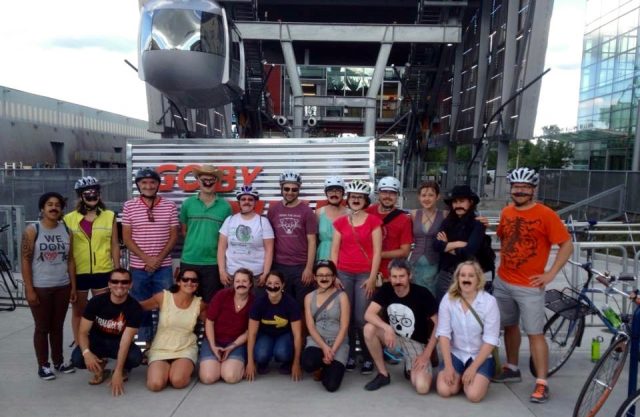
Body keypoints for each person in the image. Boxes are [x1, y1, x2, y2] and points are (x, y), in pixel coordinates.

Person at [492, 167, 572, 404]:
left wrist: (550, 273)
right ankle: (512, 367)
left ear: (533, 189)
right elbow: (502, 237)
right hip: (503, 281)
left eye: (525, 187)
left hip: (530, 286)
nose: (520, 191)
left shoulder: (546, 214)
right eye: (517, 187)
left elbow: (566, 245)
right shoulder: (506, 212)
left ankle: (541, 382)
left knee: (536, 334)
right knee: (509, 326)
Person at [22, 192, 77, 380]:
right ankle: (43, 365)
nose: (54, 208)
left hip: (62, 285)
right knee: (42, 327)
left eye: (57, 205)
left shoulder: (67, 231)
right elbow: (25, 260)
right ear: (42, 209)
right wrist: (29, 289)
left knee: (58, 326)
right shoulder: (33, 230)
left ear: (61, 209)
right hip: (40, 286)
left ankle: (59, 362)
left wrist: (73, 287)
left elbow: (70, 260)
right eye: (49, 204)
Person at [362, 259, 438, 393]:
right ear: (389, 277)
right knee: (369, 328)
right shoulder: (386, 289)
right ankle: (383, 374)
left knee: (422, 387)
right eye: (394, 277)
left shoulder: (422, 293)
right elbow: (368, 314)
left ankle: (410, 367)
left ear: (410, 276)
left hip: (415, 343)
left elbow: (439, 324)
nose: (398, 281)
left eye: (402, 276)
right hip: (393, 338)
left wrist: (427, 354)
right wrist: (387, 327)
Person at [122, 167, 179, 344]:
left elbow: (174, 236)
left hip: (163, 267)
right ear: (138, 185)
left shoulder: (169, 206)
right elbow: (127, 238)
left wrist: (158, 259)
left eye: (152, 182)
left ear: (158, 185)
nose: (148, 186)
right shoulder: (129, 206)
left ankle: (165, 343)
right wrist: (147, 259)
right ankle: (146, 345)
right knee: (142, 306)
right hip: (139, 267)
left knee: (166, 306)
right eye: (144, 182)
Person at [330, 179, 382, 374]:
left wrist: (371, 277)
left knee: (362, 318)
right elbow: (334, 251)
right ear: (348, 199)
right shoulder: (340, 223)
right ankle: (350, 354)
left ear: (365, 200)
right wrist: (334, 275)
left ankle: (368, 356)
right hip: (343, 273)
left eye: (360, 197)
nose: (356, 200)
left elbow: (377, 251)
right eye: (353, 197)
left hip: (364, 275)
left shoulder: (374, 221)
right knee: (347, 317)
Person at [64, 176, 120, 347]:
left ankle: (103, 344)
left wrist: (117, 271)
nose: (92, 196)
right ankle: (81, 346)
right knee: (79, 312)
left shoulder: (109, 216)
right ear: (81, 196)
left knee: (103, 312)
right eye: (87, 193)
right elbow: (68, 250)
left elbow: (115, 245)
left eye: (95, 192)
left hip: (102, 270)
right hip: (79, 272)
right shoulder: (69, 219)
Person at [71, 268, 143, 396]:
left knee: (136, 357)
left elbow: (126, 341)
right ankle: (101, 364)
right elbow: (82, 332)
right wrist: (87, 354)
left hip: (118, 343)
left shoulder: (134, 308)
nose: (119, 285)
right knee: (77, 359)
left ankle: (123, 369)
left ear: (130, 284)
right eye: (115, 281)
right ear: (109, 284)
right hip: (97, 341)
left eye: (124, 282)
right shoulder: (96, 302)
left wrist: (118, 372)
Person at [436, 261, 500, 402]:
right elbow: (444, 334)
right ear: (458, 278)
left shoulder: (489, 302)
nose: (466, 278)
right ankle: (460, 377)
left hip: (480, 356)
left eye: (471, 275)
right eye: (463, 275)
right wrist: (448, 366)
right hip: (457, 353)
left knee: (473, 395)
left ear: (478, 279)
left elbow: (490, 340)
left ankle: (476, 378)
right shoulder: (448, 300)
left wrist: (473, 368)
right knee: (445, 390)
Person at [140, 269, 204, 392]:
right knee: (155, 384)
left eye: (194, 280)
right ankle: (166, 369)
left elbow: (213, 321)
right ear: (179, 281)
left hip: (185, 348)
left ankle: (177, 369)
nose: (189, 283)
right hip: (161, 348)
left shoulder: (199, 304)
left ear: (198, 284)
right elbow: (139, 307)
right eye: (185, 279)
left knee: (178, 381)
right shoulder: (164, 297)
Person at [180, 165, 231, 302]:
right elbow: (184, 231)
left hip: (213, 263)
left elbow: (226, 237)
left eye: (211, 179)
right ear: (197, 180)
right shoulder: (188, 204)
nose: (208, 182)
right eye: (204, 179)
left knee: (211, 303)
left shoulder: (225, 207)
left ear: (216, 182)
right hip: (189, 260)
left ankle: (208, 325)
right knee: (187, 302)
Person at [267, 170, 318, 307]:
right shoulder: (273, 210)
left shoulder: (307, 211)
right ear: (281, 188)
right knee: (281, 304)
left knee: (302, 305)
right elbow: (268, 240)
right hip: (279, 265)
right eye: (287, 189)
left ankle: (300, 329)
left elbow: (312, 241)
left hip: (300, 267)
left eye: (294, 189)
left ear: (299, 189)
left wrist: (309, 268)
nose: (290, 192)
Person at [200, 268, 255, 384]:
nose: (241, 284)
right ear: (233, 283)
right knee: (208, 378)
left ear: (250, 284)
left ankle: (230, 364)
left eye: (244, 281)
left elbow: (249, 331)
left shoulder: (254, 302)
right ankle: (218, 364)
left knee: (230, 377)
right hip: (214, 340)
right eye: (237, 281)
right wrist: (213, 345)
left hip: (236, 343)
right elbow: (209, 321)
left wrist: (232, 346)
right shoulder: (222, 295)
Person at [301, 260, 350, 392]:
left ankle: (328, 366)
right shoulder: (309, 297)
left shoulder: (342, 296)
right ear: (315, 277)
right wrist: (324, 347)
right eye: (320, 275)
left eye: (328, 275)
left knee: (331, 386)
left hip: (337, 342)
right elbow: (310, 326)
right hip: (317, 341)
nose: (324, 278)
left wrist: (332, 350)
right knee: (308, 363)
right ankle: (322, 363)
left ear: (334, 277)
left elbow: (344, 326)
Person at [245, 271, 303, 381]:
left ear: (283, 285)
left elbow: (297, 335)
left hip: (284, 334)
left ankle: (287, 362)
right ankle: (263, 362)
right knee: (261, 354)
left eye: (277, 283)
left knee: (282, 353)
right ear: (265, 284)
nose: (273, 286)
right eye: (269, 283)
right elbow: (252, 334)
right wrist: (250, 362)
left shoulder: (291, 303)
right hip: (265, 335)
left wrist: (296, 363)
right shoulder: (259, 303)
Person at [433, 185, 487, 302]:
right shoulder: (447, 222)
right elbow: (436, 245)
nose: (458, 205)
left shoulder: (477, 223)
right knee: (442, 311)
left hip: (468, 276)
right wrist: (457, 243)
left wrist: (446, 245)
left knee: (465, 313)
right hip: (446, 275)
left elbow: (469, 251)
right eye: (455, 202)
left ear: (470, 202)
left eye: (462, 201)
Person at [218, 186, 273, 288]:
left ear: (255, 202)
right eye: (243, 199)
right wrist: (222, 271)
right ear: (238, 202)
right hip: (232, 274)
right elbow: (221, 247)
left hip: (256, 275)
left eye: (250, 199)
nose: (246, 202)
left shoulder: (263, 222)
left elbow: (269, 250)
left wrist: (265, 273)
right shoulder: (229, 220)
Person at [365, 176, 413, 280]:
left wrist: (378, 255)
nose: (388, 196)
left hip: (390, 274)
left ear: (397, 196)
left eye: (392, 193)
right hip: (365, 271)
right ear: (378, 194)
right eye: (384, 192)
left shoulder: (404, 219)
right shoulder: (368, 212)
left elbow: (405, 252)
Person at [408, 181, 445, 296]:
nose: (427, 199)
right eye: (423, 195)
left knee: (431, 294)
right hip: (415, 262)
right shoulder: (413, 214)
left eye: (431, 195)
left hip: (434, 262)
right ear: (419, 197)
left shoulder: (444, 215)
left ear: (437, 197)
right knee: (414, 294)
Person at [316, 176, 347, 260]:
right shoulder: (319, 213)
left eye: (338, 191)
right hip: (323, 254)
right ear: (326, 193)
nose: (334, 194)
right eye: (330, 191)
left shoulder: (350, 213)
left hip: (344, 255)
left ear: (343, 193)